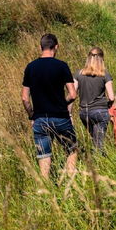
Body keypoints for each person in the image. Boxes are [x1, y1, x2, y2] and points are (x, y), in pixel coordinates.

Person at [21, 34, 78, 179]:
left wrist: (32, 115)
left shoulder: (31, 67)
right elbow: (72, 94)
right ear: (56, 46)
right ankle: (71, 183)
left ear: (41, 47)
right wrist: (61, 104)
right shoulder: (62, 66)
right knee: (71, 150)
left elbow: (24, 98)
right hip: (60, 117)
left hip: (40, 119)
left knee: (44, 156)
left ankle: (45, 193)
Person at [72, 47, 114, 154]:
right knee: (99, 142)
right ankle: (99, 165)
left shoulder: (78, 74)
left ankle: (94, 158)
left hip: (84, 112)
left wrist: (69, 113)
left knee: (94, 138)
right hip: (100, 111)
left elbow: (72, 95)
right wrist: (109, 106)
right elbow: (112, 97)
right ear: (101, 59)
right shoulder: (105, 74)